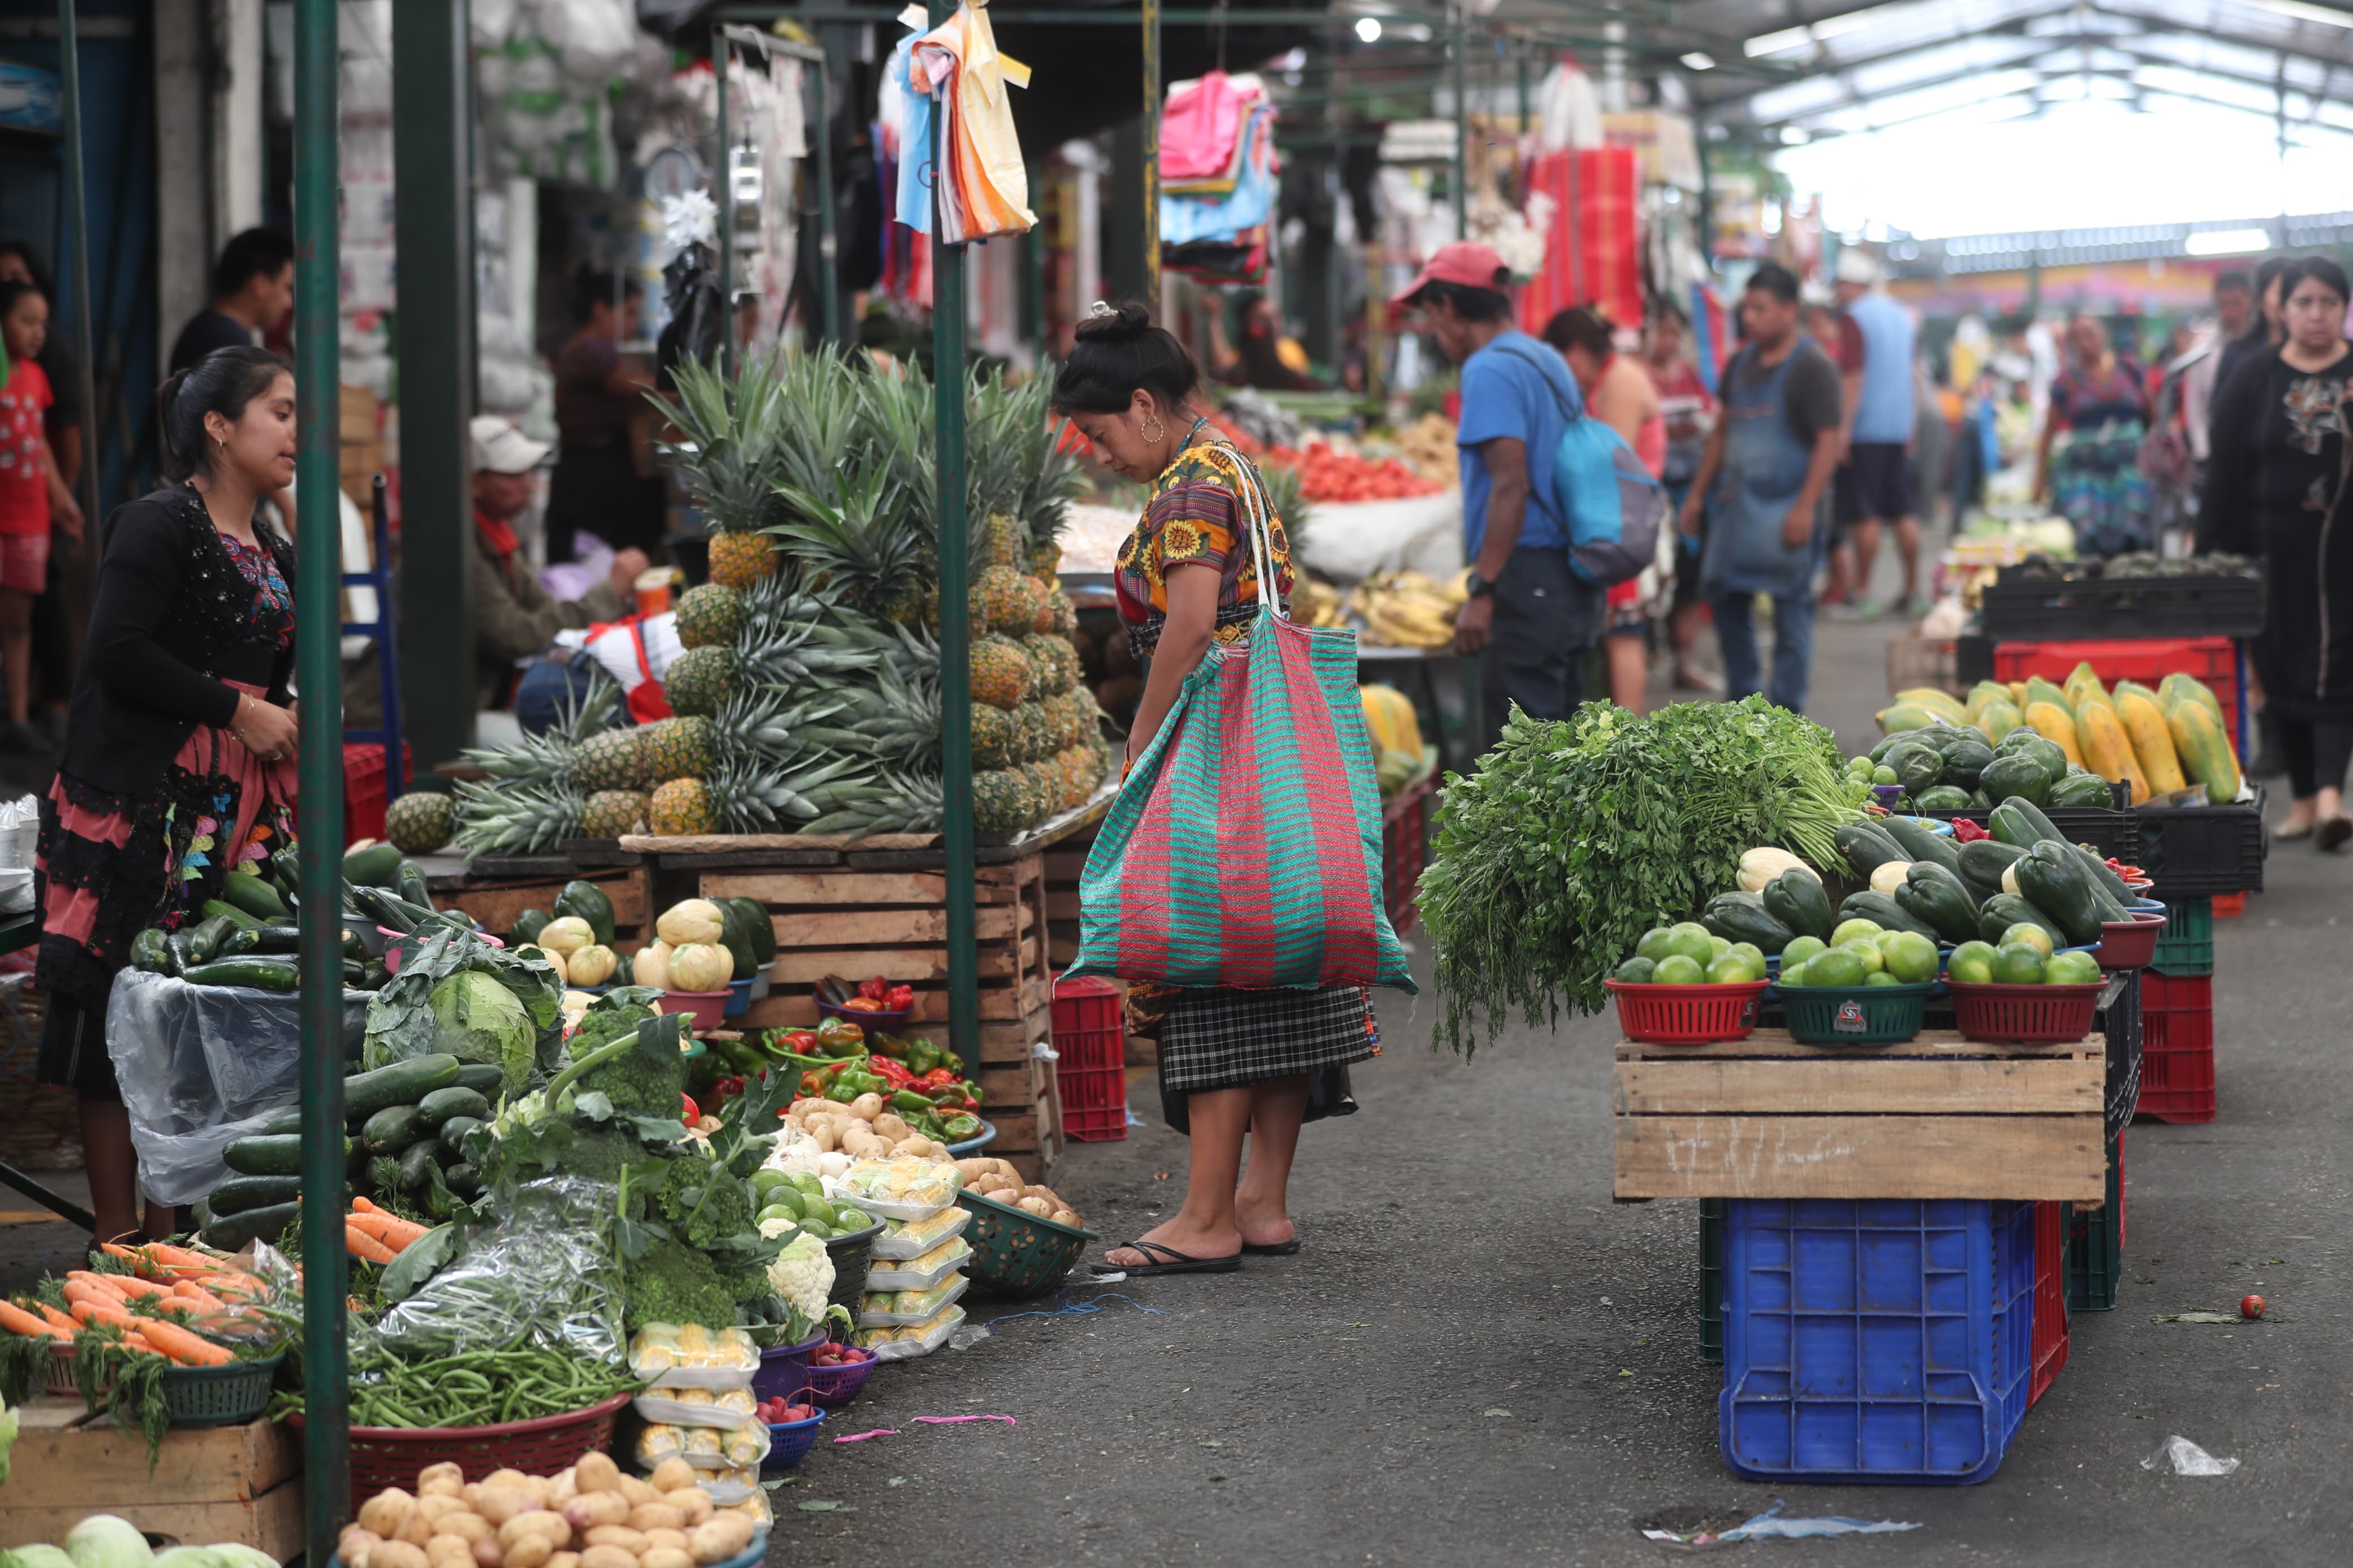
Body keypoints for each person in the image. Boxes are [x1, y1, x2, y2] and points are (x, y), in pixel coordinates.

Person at [1054, 301, 1375, 1276]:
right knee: (1282, 971)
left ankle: (1203, 1216)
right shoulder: (1229, 462)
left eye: (1102, 431)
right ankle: (1260, 1202)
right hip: (1276, 746)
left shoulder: (1190, 489)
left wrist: (1143, 738)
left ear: (1145, 406)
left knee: (1212, 967)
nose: (1099, 452)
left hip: (1220, 746)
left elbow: (1191, 622)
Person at [33, 345, 302, 1243]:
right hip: (140, 814)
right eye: (281, 411)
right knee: (120, 1020)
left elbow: (270, 681)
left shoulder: (275, 550)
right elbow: (114, 650)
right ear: (219, 427)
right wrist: (238, 709)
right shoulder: (157, 525)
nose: (297, 431)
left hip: (231, 826)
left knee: (188, 1025)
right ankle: (118, 1245)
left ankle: (175, 1235)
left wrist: (282, 721)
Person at [1392, 242, 1602, 752]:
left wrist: (1482, 590)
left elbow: (1511, 483)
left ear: (1447, 308)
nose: (1434, 331)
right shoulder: (1545, 357)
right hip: (1569, 578)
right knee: (1566, 757)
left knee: (1525, 768)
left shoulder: (1488, 369)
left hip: (1526, 580)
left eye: (1430, 315)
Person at [2199, 256, 2353, 849]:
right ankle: (2307, 801)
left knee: (2336, 666)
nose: (2316, 315)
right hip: (2263, 553)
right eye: (2304, 303)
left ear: (2342, 310)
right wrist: (2207, 551)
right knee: (2283, 670)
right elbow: (2223, 470)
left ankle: (2332, 798)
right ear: (2281, 308)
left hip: (2340, 555)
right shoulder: (2253, 375)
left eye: (2328, 303)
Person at [1678, 263, 1842, 714]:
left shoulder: (1813, 367)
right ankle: (1744, 712)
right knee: (1727, 604)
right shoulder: (1740, 364)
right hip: (1739, 510)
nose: (1749, 317)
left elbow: (1830, 440)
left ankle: (1788, 722)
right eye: (1746, 308)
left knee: (1792, 618)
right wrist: (1696, 494)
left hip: (1789, 510)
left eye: (1760, 308)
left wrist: (1806, 508)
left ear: (1790, 310)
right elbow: (1722, 432)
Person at [467, 416, 648, 727]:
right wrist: (610, 591)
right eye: (513, 474)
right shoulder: (463, 548)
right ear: (474, 483)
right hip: (457, 717)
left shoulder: (498, 538)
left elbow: (549, 618)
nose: (529, 485)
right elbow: (516, 635)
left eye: (528, 473)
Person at [1543, 304, 1662, 711]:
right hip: (1624, 523)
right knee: (1619, 634)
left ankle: (1630, 741)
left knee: (1624, 636)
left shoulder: (1619, 383)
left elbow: (1605, 465)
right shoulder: (1613, 377)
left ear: (1573, 352)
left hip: (1623, 526)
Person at [1, 243, 88, 740]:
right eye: (26, 321)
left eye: (43, 322)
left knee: (19, 620)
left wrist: (62, 501)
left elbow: (40, 446)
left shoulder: (37, 378)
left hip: (30, 517)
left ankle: (16, 716)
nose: (39, 333)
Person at [1831, 250, 1925, 619]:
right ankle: (1912, 591)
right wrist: (1911, 424)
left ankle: (1862, 593)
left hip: (1865, 429)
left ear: (1850, 285)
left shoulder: (1855, 318)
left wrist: (1843, 430)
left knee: (1864, 514)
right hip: (1898, 430)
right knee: (1903, 511)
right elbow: (1915, 375)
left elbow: (1853, 378)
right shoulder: (1902, 317)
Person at [546, 273, 663, 563]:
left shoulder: (599, 348)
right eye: (630, 313)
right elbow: (625, 387)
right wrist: (677, 387)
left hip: (596, 469)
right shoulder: (590, 348)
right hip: (590, 473)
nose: (634, 325)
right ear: (601, 310)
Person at [1643, 303, 1719, 692]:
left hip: (1688, 493)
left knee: (1689, 581)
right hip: (1651, 494)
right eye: (1661, 332)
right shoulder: (1638, 378)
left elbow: (1712, 421)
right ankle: (1643, 661)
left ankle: (1683, 661)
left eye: (1675, 333)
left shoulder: (1689, 377)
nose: (1668, 341)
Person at [2036, 314, 2156, 556]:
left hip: (2130, 471)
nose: (2084, 342)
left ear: (2104, 335)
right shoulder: (2066, 381)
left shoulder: (2128, 369)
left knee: (2135, 542)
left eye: (2089, 334)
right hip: (2086, 475)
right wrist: (2039, 481)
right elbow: (2048, 434)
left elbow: (2153, 415)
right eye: (2076, 337)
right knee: (2088, 542)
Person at [167, 228, 295, 374]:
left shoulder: (214, 331)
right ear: (261, 284)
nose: (289, 303)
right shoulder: (226, 342)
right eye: (287, 288)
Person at [2183, 269, 2259, 465]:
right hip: (2217, 441)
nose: (2230, 312)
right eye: (2223, 305)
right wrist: (2202, 448)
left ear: (2251, 299)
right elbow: (2195, 401)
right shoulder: (2204, 344)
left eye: (2237, 303)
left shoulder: (2263, 342)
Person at [1210, 291, 1323, 392]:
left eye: (1276, 317)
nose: (1272, 325)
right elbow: (1223, 366)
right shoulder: (1243, 354)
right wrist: (1215, 319)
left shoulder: (1290, 347)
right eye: (1263, 319)